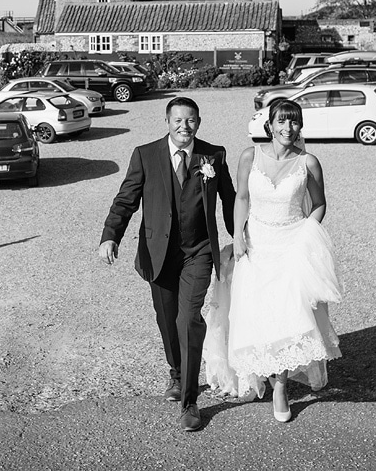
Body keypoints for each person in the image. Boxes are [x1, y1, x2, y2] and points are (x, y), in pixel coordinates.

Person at [98, 96, 236, 432]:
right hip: (158, 254)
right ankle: (176, 372)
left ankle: (190, 403)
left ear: (198, 123)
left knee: (189, 320)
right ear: (167, 121)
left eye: (190, 120)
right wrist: (110, 235)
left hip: (199, 252)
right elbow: (125, 200)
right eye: (178, 120)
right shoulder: (145, 155)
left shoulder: (213, 155)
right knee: (167, 320)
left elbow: (231, 199)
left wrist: (243, 238)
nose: (184, 127)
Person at [202, 98, 342, 423]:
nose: (287, 128)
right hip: (256, 245)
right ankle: (261, 370)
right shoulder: (250, 156)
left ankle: (280, 385)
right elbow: (241, 198)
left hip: (292, 246)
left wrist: (307, 235)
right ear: (270, 124)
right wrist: (237, 235)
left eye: (294, 122)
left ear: (300, 126)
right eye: (282, 121)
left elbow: (319, 204)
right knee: (256, 313)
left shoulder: (309, 162)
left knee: (289, 315)